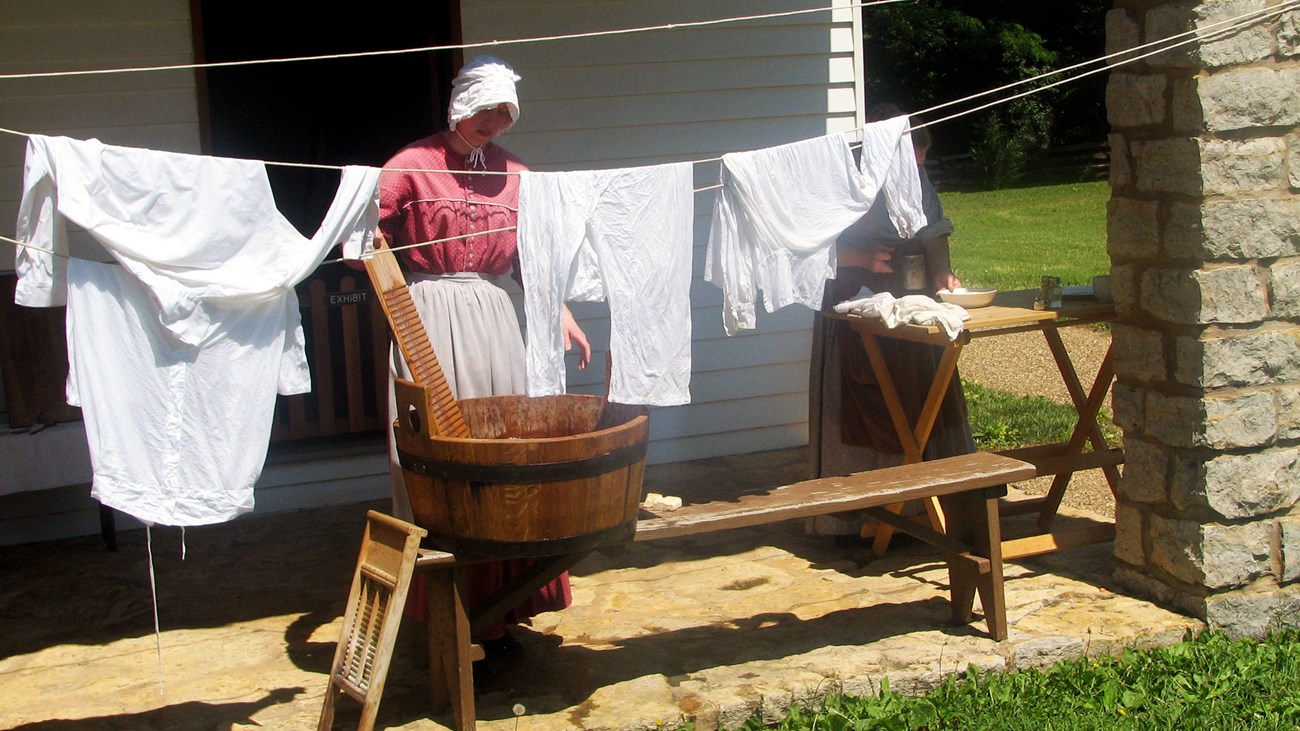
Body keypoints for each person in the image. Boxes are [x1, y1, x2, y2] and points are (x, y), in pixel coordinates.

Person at [376, 55, 591, 654]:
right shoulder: (409, 166)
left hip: (495, 314)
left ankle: (509, 595)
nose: (494, 123)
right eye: (485, 110)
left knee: (499, 446)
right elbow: (366, 242)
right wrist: (396, 302)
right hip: (427, 318)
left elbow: (533, 259)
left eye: (504, 113)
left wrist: (561, 313)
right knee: (439, 446)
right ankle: (446, 602)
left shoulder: (517, 173)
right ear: (460, 105)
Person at [809, 103, 976, 495]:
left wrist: (941, 272)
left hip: (910, 297)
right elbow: (811, 248)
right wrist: (860, 258)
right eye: (913, 160)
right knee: (869, 397)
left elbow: (934, 232)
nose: (920, 168)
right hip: (853, 301)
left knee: (924, 394)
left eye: (923, 161)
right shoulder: (844, 180)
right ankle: (863, 512)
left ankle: (931, 501)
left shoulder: (918, 179)